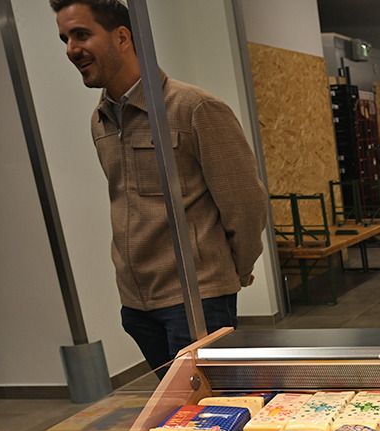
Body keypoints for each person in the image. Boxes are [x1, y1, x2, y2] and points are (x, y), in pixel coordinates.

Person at [52, 0, 267, 375]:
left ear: (122, 37)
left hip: (197, 299)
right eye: (65, 39)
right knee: (176, 409)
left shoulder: (193, 108)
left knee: (208, 405)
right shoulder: (101, 120)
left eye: (81, 34)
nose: (72, 49)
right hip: (137, 306)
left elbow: (245, 203)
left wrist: (230, 274)